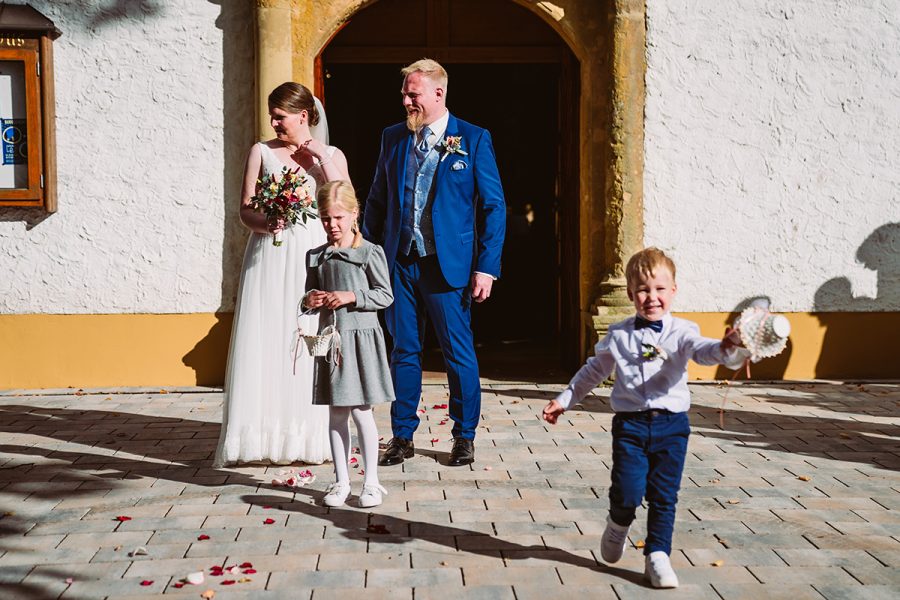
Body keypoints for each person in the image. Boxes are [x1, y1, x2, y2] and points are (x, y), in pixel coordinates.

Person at [542, 247, 746, 589]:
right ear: (630, 294)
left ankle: (658, 555)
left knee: (665, 494)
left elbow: (705, 351)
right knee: (628, 491)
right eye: (643, 290)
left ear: (674, 291)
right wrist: (565, 399)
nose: (652, 297)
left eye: (660, 289)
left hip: (672, 426)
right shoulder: (619, 335)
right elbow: (593, 371)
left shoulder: (683, 331)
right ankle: (619, 522)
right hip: (631, 427)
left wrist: (730, 345)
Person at [362, 58, 506, 467]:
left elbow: (494, 207)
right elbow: (377, 200)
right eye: (405, 93)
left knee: (457, 351)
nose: (406, 100)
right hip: (400, 261)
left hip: (449, 264)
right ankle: (402, 435)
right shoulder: (393, 138)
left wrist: (487, 266)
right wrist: (367, 256)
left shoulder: (473, 139)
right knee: (403, 351)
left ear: (438, 93)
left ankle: (464, 435)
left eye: (414, 94)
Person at [213, 82, 350, 467]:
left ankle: (310, 438)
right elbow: (244, 210)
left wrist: (320, 156)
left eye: (280, 116)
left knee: (310, 340)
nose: (273, 122)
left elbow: (344, 198)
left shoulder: (332, 154)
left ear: (303, 116)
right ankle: (261, 438)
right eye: (272, 116)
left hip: (313, 255)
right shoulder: (261, 152)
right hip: (271, 256)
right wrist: (266, 220)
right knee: (269, 337)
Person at [303, 181, 395, 507]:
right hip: (334, 342)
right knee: (337, 412)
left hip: (362, 341)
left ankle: (371, 481)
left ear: (354, 215)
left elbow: (385, 295)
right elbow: (307, 297)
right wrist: (310, 300)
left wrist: (352, 296)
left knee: (361, 411)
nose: (333, 225)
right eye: (326, 218)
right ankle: (341, 481)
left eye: (339, 218)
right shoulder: (316, 257)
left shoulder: (370, 253)